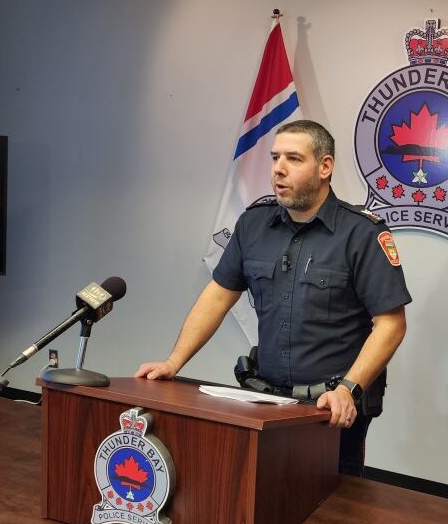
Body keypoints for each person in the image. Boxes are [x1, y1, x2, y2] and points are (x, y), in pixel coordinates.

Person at [135, 120, 411, 476]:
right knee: (259, 500)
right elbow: (218, 297)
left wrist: (347, 389)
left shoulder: (361, 233)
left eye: (294, 159)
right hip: (264, 402)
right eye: (275, 157)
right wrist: (174, 362)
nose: (278, 169)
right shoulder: (253, 225)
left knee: (333, 515)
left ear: (325, 167)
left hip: (331, 410)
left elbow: (391, 324)